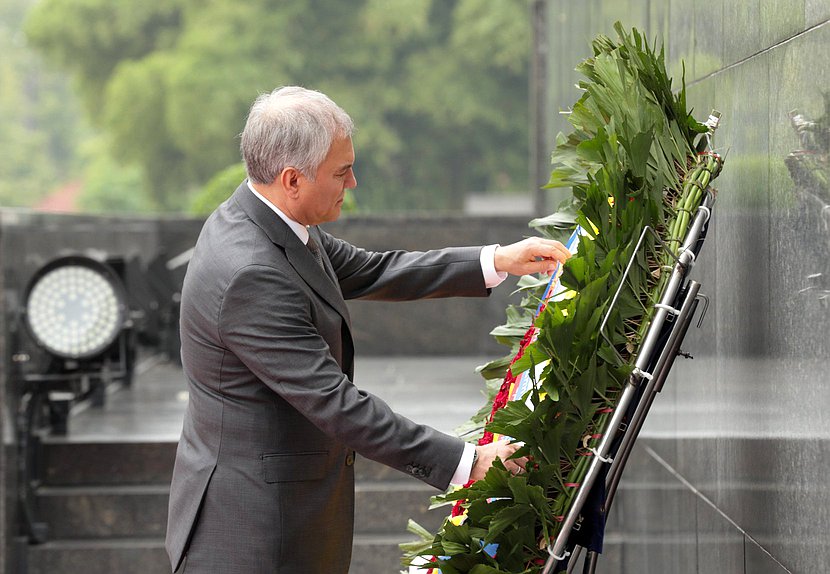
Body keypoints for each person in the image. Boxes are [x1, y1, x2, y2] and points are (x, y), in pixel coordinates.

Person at [165, 86, 571, 574]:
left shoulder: (269, 218)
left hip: (282, 512)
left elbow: (375, 269)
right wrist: (467, 463)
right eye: (341, 172)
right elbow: (333, 403)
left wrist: (497, 259)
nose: (353, 182)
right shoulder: (251, 272)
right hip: (253, 533)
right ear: (292, 178)